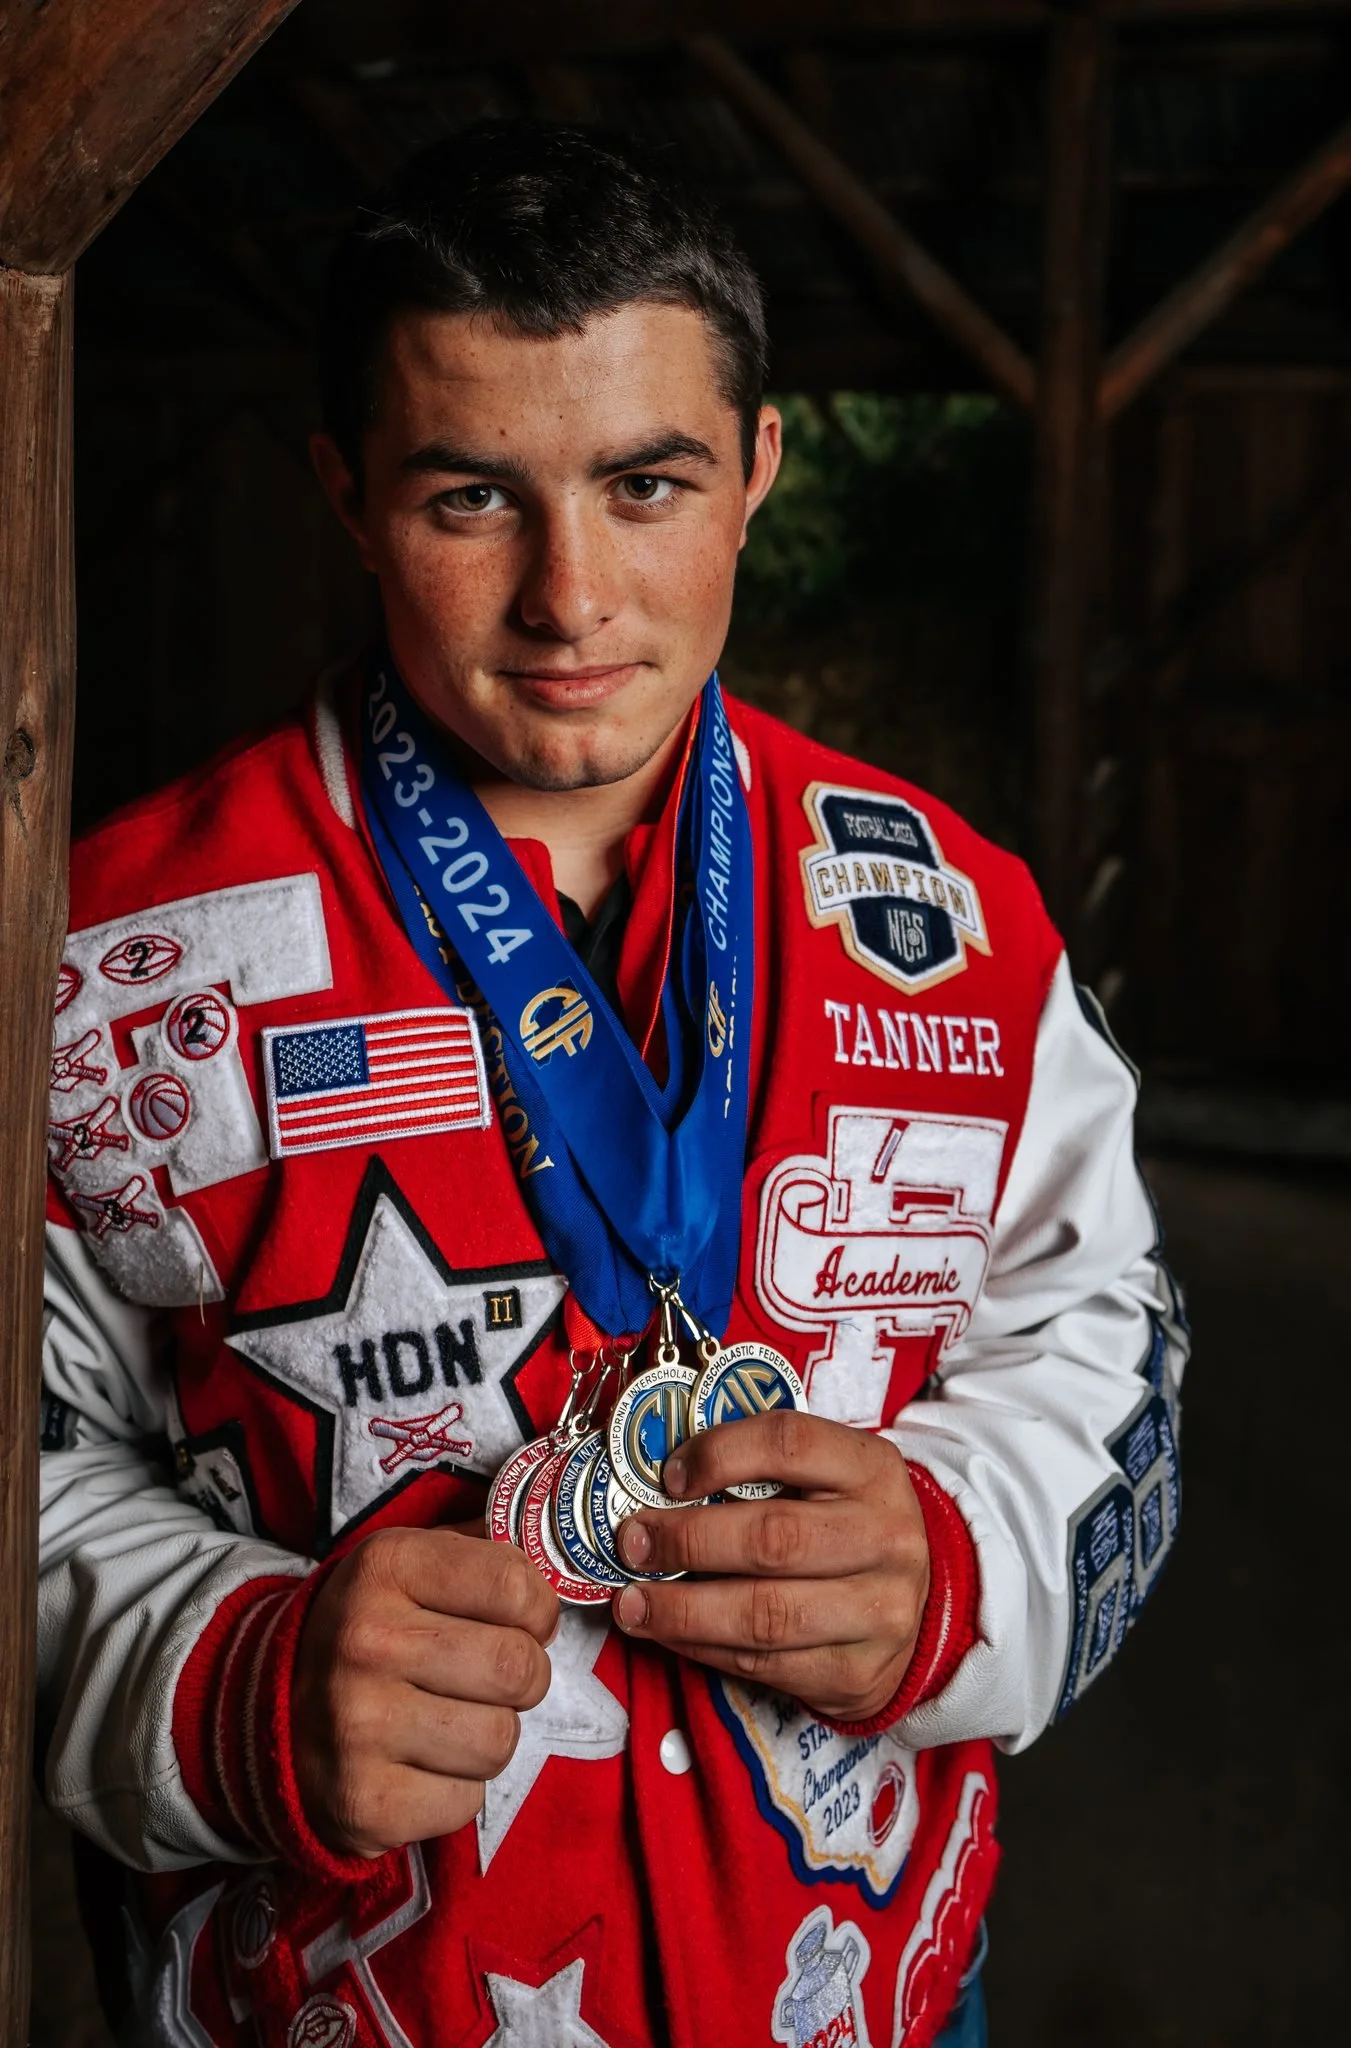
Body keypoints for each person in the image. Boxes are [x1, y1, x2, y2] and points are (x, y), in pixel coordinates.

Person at [37, 123, 1186, 2048]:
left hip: (870, 1988)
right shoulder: (97, 959)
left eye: (645, 485)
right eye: (470, 497)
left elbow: (1097, 1339)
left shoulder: (964, 920)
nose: (569, 598)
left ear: (757, 471)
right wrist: (229, 1679)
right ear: (345, 495)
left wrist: (961, 1558)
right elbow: (35, 1464)